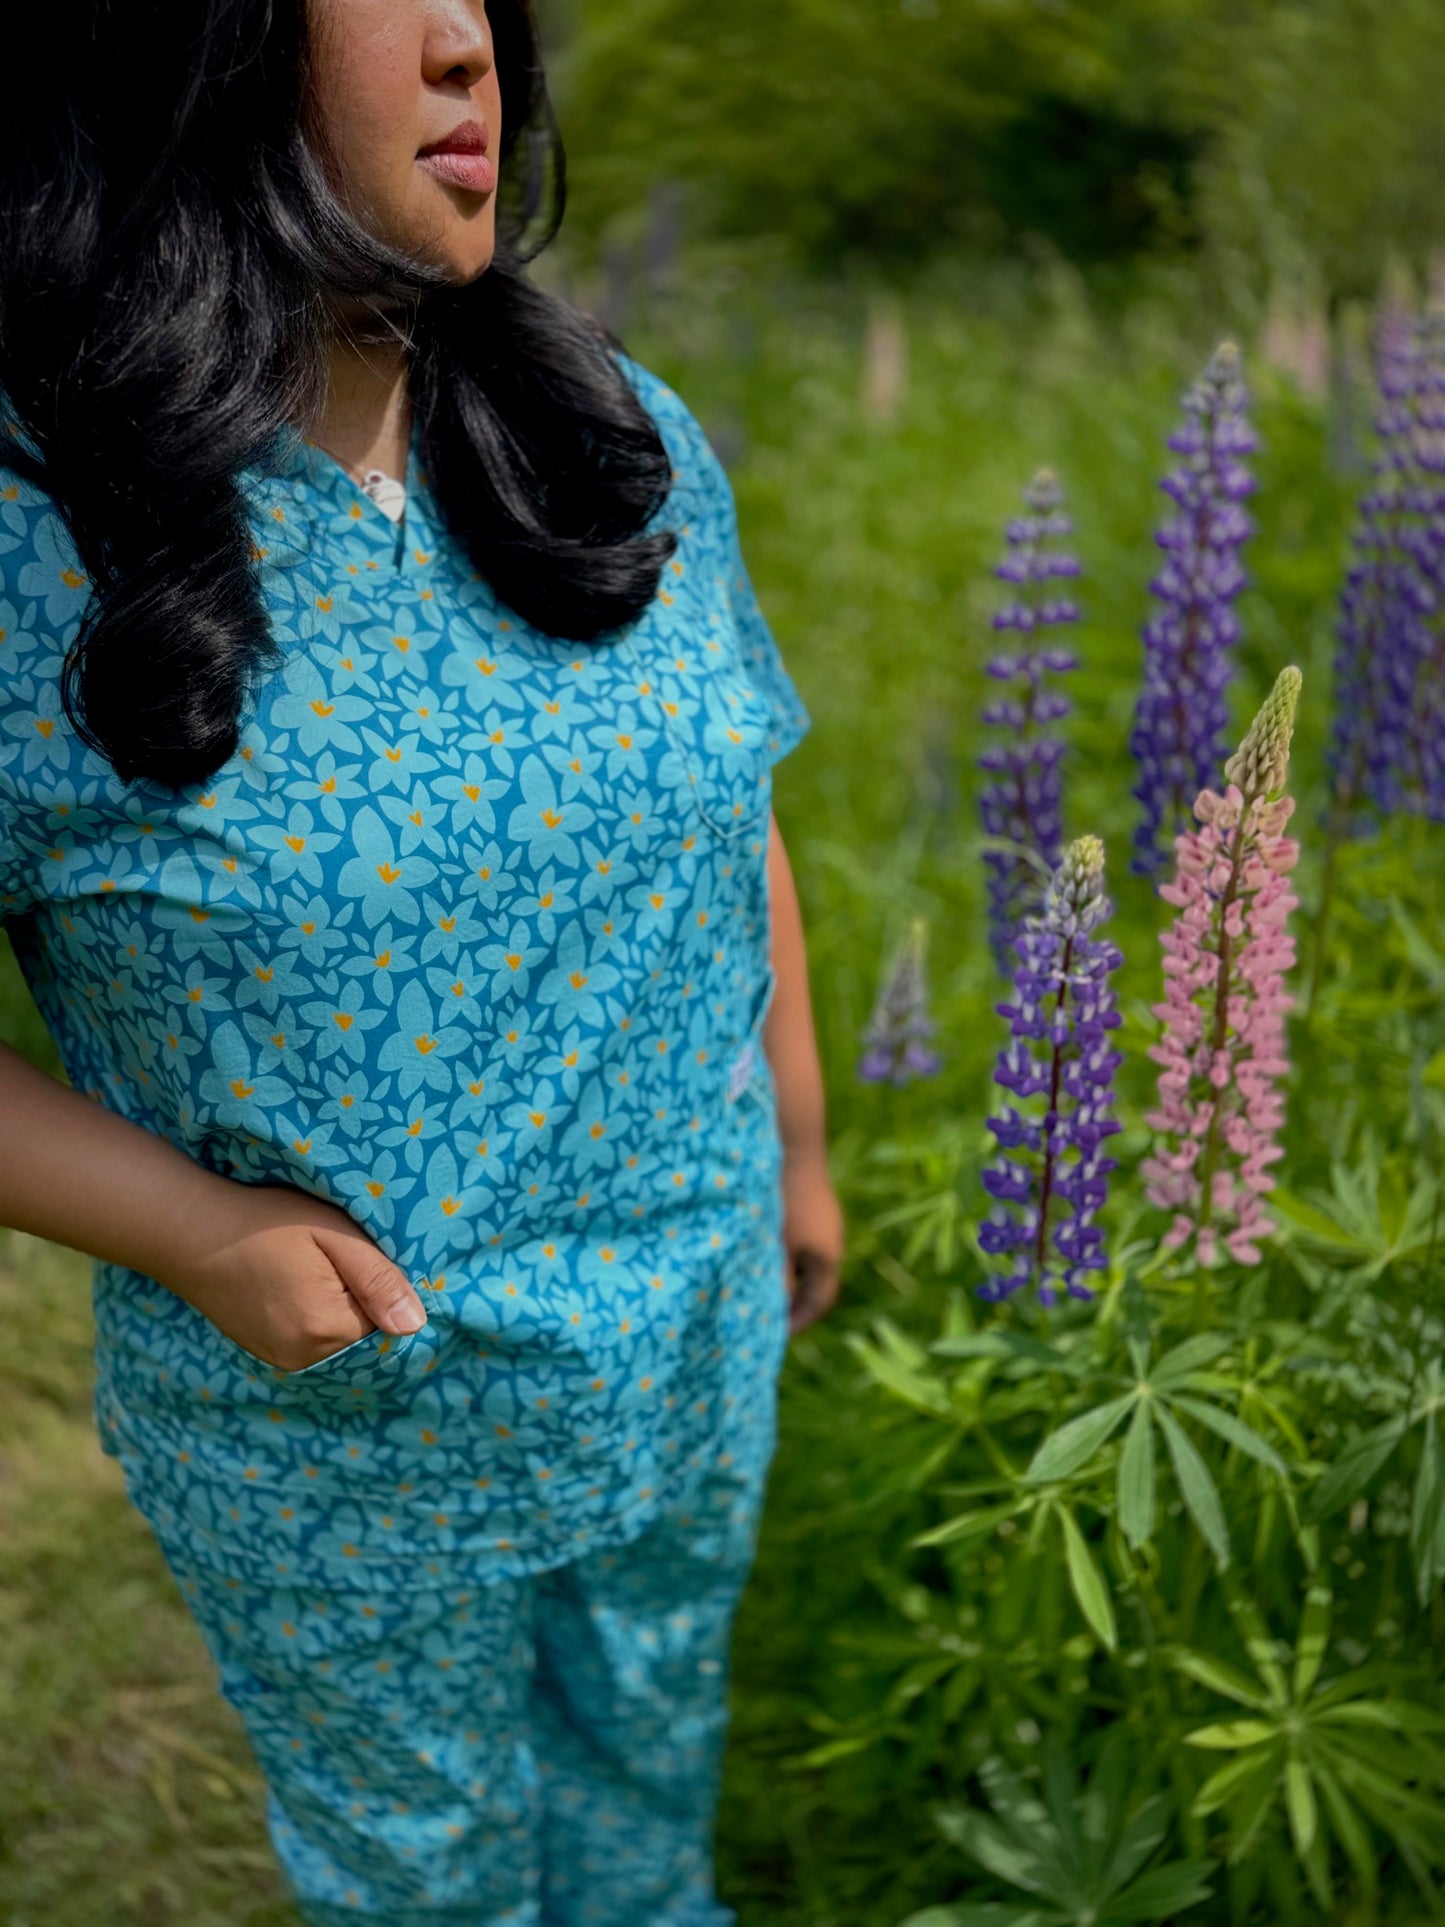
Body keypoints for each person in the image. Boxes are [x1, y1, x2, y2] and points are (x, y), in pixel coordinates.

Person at [0, 2, 845, 1920]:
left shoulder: (603, 429)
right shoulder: (38, 527)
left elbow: (729, 802)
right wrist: (188, 1234)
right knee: (430, 1881)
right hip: (351, 1442)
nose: (473, 42)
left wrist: (795, 1141)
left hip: (684, 1332)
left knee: (645, 1805)